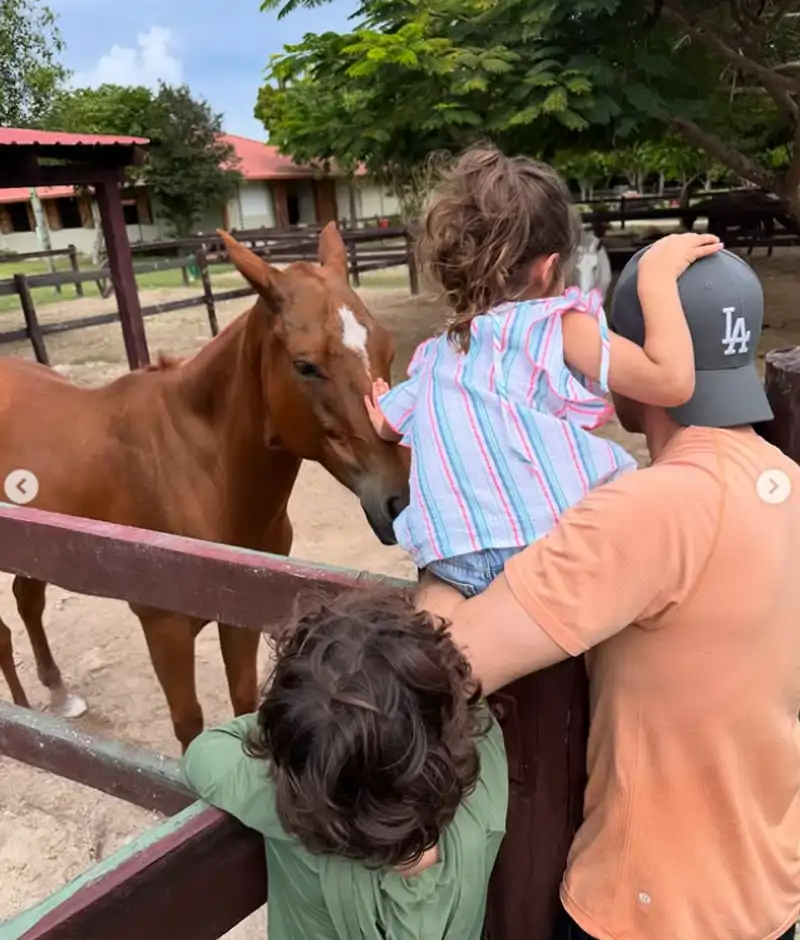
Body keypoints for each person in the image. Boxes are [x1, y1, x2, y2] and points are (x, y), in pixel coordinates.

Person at [428, 244, 800, 940]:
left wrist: (444, 551)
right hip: (768, 899)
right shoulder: (786, 484)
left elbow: (453, 660)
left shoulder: (651, 509)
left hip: (645, 911)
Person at [364, 145, 722, 605]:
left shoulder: (440, 353)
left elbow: (391, 424)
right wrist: (655, 278)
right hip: (541, 548)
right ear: (550, 267)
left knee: (446, 630)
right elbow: (671, 382)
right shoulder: (556, 325)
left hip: (452, 557)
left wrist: (380, 415)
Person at [181, 589, 508, 940]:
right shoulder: (486, 785)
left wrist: (295, 727)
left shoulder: (281, 809)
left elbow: (203, 753)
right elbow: (469, 706)